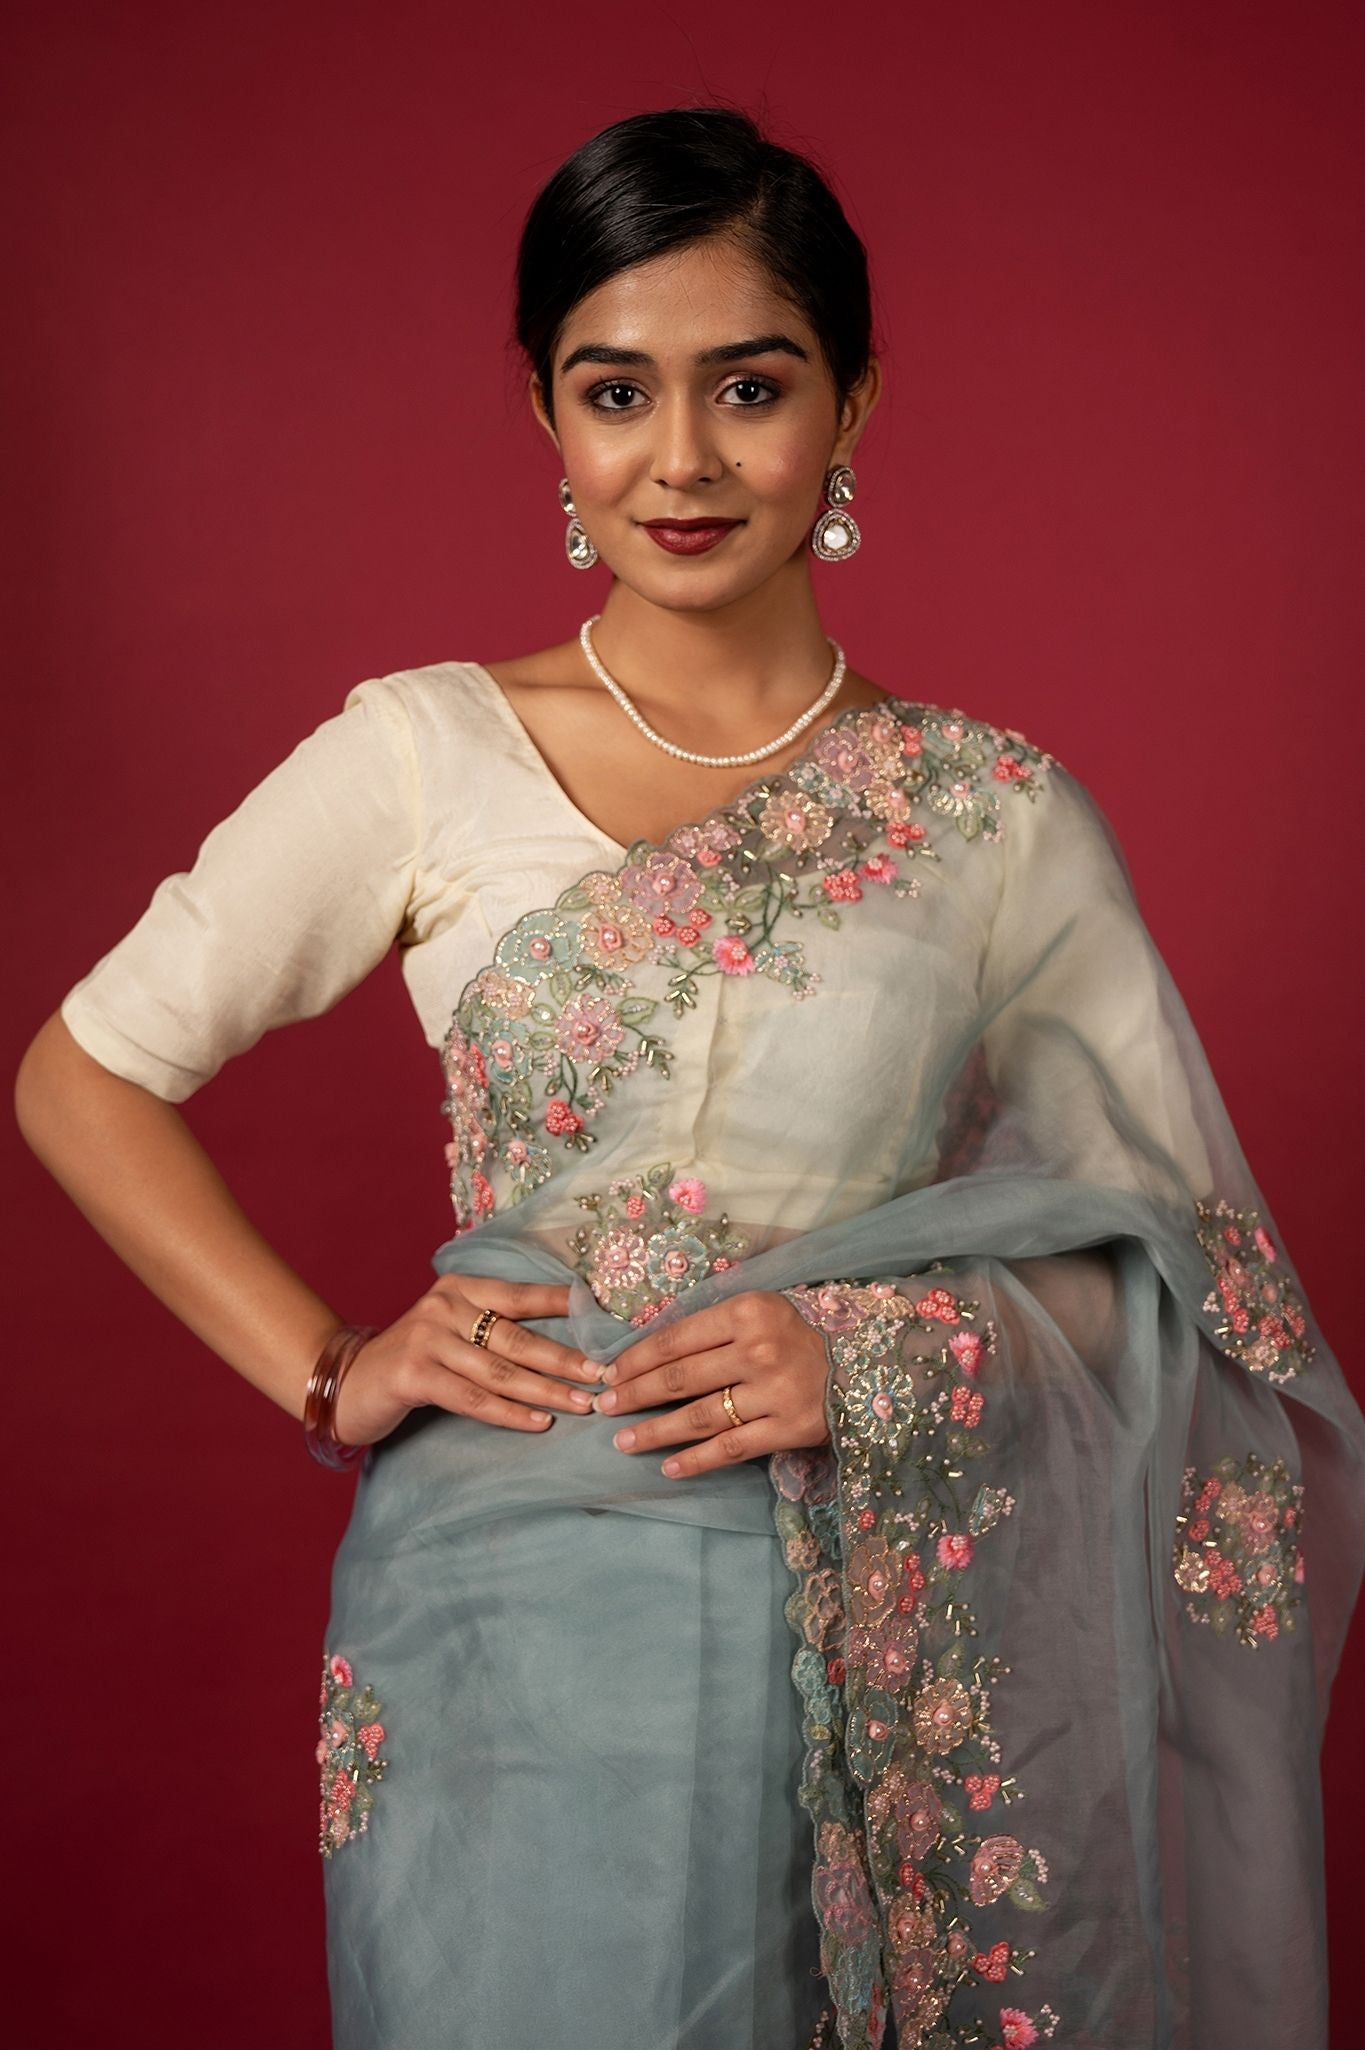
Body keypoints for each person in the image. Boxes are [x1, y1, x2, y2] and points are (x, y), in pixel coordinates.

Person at [15, 102, 1365, 2050]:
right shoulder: (425, 753)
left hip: (857, 1615)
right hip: (492, 1621)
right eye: (613, 390)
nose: (680, 459)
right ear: (545, 415)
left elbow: (1172, 1278)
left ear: (848, 400)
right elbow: (84, 1074)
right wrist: (328, 1365)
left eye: (748, 385)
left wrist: (870, 1353)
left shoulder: (987, 817)